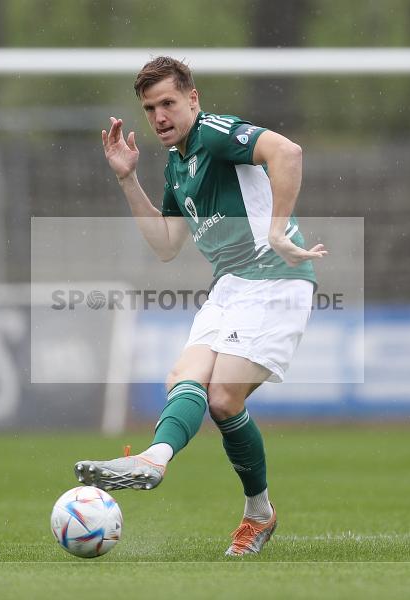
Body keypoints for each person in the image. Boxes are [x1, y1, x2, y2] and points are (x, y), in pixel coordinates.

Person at [74, 56, 326, 556]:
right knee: (185, 378)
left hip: (274, 278)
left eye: (168, 103)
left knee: (224, 398)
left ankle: (255, 513)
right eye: (150, 109)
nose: (159, 116)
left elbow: (288, 152)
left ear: (193, 99)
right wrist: (127, 179)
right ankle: (156, 458)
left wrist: (278, 229)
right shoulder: (176, 164)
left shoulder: (213, 132)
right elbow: (167, 245)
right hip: (230, 286)